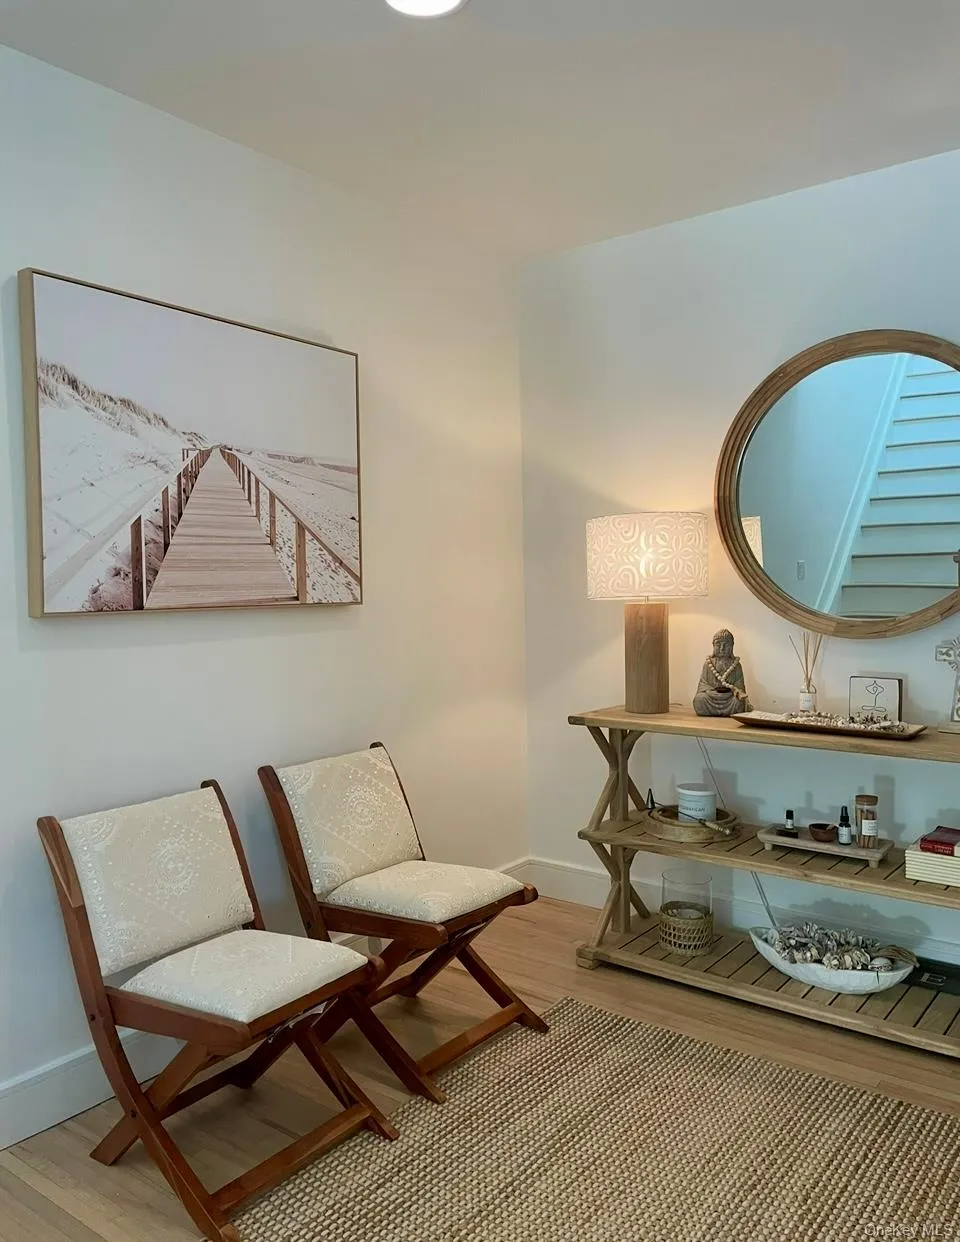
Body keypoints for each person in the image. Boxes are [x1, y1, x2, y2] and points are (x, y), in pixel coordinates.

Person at [693, 629, 752, 717]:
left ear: (732, 646)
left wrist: (734, 692)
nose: (722, 648)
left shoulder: (736, 665)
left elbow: (740, 688)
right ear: (713, 646)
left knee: (739, 703)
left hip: (729, 697)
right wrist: (710, 691)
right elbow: (703, 684)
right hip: (711, 697)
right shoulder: (708, 663)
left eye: (726, 645)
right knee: (699, 699)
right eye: (718, 644)